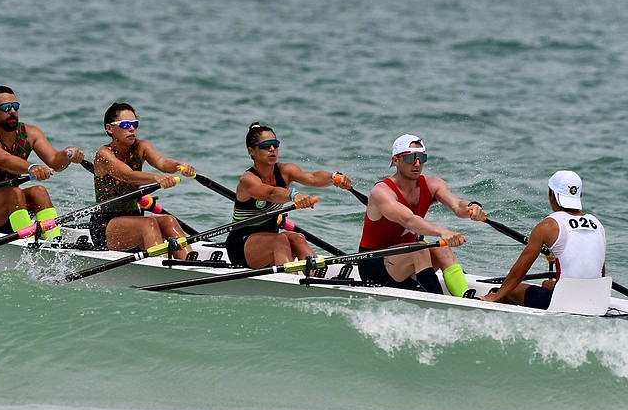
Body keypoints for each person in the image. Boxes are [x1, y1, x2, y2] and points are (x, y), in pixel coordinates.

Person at [357, 134, 483, 297]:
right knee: (421, 248)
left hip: (408, 265)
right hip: (374, 265)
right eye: (410, 158)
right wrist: (442, 232)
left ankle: (464, 297)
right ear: (395, 161)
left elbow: (457, 205)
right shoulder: (381, 192)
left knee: (442, 248)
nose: (417, 163)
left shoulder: (433, 184)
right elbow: (408, 220)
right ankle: (439, 302)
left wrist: (472, 207)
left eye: (422, 158)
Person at [224, 122, 352, 272]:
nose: (272, 149)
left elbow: (312, 177)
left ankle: (316, 275)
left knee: (298, 238)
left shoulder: (285, 171)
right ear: (251, 151)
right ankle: (291, 279)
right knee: (281, 239)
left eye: (275, 144)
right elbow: (271, 193)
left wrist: (333, 178)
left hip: (270, 240)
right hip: (241, 245)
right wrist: (294, 195)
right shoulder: (248, 180)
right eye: (265, 146)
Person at [0, 86, 84, 239]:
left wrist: (67, 155)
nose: (12, 111)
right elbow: (2, 159)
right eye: (5, 107)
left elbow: (55, 162)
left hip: (11, 206)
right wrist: (31, 167)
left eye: (15, 106)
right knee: (14, 191)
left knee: (39, 191)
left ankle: (53, 239)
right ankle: (28, 242)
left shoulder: (30, 133)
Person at [482, 171, 606, 309]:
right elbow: (600, 271)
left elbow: (519, 271)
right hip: (595, 301)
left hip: (564, 303)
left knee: (510, 290)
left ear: (552, 194)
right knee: (546, 284)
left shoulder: (548, 226)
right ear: (579, 195)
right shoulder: (597, 224)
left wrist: (496, 296)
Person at [90, 102, 195, 259]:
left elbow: (162, 163)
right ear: (109, 128)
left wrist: (180, 166)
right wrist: (155, 178)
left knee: (169, 221)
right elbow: (128, 175)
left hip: (134, 218)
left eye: (134, 124)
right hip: (106, 224)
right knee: (149, 223)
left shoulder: (141, 147)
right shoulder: (104, 154)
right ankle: (163, 268)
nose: (131, 129)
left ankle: (189, 262)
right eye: (125, 124)